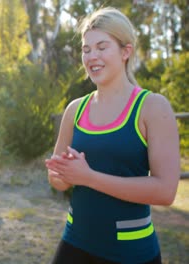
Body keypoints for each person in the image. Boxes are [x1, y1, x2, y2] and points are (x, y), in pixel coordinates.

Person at [45, 7, 180, 264]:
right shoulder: (75, 110)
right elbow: (58, 182)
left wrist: (89, 177)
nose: (92, 56)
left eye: (102, 47)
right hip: (75, 243)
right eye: (86, 50)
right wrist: (60, 174)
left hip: (131, 254)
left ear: (125, 52)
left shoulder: (153, 107)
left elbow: (165, 191)